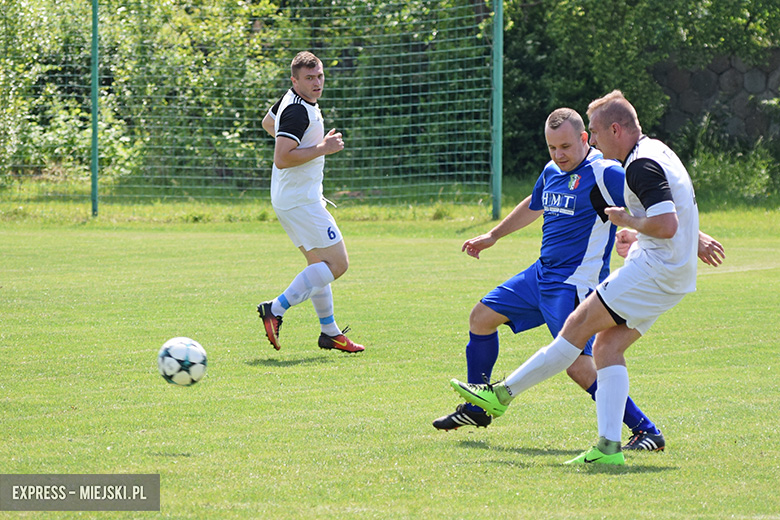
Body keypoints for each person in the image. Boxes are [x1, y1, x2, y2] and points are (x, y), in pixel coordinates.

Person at [450, 90, 724, 465]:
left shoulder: (615, 169)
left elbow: (660, 215)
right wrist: (493, 235)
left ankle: (501, 396)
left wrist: (675, 233)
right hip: (549, 274)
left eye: (589, 134)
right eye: (552, 147)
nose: (589, 142)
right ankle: (607, 447)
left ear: (607, 131)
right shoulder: (644, 152)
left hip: (593, 278)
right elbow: (659, 207)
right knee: (596, 346)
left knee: (576, 346)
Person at [433, 107, 667, 451]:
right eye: (552, 148)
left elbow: (653, 208)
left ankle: (646, 430)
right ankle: (478, 407)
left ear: (585, 139)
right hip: (540, 275)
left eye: (566, 147)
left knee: (578, 366)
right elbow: (535, 203)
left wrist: (688, 237)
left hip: (573, 285)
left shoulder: (606, 173)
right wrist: (493, 235)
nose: (559, 155)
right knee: (481, 317)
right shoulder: (552, 170)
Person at [257, 51, 364, 353]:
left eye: (319, 76)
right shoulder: (296, 111)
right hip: (300, 201)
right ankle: (275, 309)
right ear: (295, 80)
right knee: (338, 263)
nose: (317, 82)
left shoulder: (291, 100)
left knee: (318, 264)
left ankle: (329, 332)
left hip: (290, 199)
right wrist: (322, 148)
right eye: (309, 78)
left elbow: (268, 122)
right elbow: (282, 158)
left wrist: (307, 145)